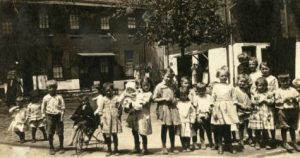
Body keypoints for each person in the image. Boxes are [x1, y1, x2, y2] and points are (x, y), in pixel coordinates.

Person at [211, 66, 239, 154]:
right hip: (218, 107)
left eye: (225, 75)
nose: (224, 77)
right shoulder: (215, 86)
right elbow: (213, 98)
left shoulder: (230, 86)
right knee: (219, 128)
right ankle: (220, 145)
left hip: (228, 108)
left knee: (227, 128)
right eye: (222, 76)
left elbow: (234, 98)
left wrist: (234, 109)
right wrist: (213, 109)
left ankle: (229, 145)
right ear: (218, 76)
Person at [153, 67, 180, 155]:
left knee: (172, 128)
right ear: (162, 76)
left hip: (172, 108)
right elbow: (154, 99)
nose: (169, 78)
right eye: (167, 76)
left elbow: (175, 94)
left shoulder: (172, 85)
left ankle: (172, 146)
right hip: (164, 109)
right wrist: (164, 98)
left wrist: (175, 99)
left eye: (171, 77)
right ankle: (164, 147)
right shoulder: (159, 86)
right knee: (164, 128)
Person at [275, 74, 300, 151]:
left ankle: (294, 142)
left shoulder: (293, 90)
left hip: (292, 110)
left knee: (292, 127)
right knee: (284, 127)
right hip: (283, 111)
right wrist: (283, 100)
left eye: (286, 81)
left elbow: (298, 97)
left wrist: (294, 99)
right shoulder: (278, 91)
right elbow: (276, 102)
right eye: (282, 82)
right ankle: (285, 142)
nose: (285, 83)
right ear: (279, 82)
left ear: (289, 81)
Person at [96, 82, 122, 156]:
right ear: (104, 91)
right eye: (106, 91)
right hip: (106, 120)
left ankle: (116, 149)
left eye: (110, 90)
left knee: (114, 135)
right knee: (107, 135)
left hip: (114, 119)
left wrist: (119, 114)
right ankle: (109, 149)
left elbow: (119, 108)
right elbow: (100, 110)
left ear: (112, 90)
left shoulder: (116, 98)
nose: (108, 92)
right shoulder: (103, 99)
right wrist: (101, 119)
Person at [249, 77, 275, 150]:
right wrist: (259, 101)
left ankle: (266, 142)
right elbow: (253, 102)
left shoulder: (268, 93)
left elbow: (272, 101)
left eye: (263, 85)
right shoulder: (255, 94)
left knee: (265, 129)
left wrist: (266, 101)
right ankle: (257, 142)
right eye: (260, 85)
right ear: (256, 86)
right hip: (257, 113)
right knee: (257, 129)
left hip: (266, 113)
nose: (261, 87)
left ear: (266, 86)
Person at [41, 80, 66, 155]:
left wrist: (62, 116)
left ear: (56, 88)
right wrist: (44, 117)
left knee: (60, 132)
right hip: (49, 117)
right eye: (50, 88)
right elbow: (43, 108)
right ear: (47, 88)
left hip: (58, 117)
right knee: (50, 133)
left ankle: (61, 146)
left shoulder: (59, 97)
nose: (52, 89)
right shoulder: (45, 98)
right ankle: (51, 147)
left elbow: (63, 107)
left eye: (53, 87)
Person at [132, 77, 153, 155]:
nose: (146, 87)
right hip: (137, 114)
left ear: (150, 85)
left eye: (147, 85)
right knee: (135, 130)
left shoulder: (149, 94)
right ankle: (137, 147)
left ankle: (145, 149)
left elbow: (144, 103)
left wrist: (139, 96)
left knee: (142, 132)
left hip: (144, 115)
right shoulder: (139, 93)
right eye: (144, 85)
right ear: (141, 86)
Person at [193, 82, 213, 150]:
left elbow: (210, 106)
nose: (201, 92)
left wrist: (208, 113)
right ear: (197, 91)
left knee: (209, 129)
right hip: (200, 115)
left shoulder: (208, 97)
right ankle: (202, 142)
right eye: (199, 91)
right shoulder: (196, 98)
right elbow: (195, 107)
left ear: (205, 90)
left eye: (203, 90)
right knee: (201, 129)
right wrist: (197, 116)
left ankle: (211, 142)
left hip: (207, 115)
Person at [234, 74, 252, 148]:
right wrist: (240, 105)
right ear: (237, 81)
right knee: (240, 125)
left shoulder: (247, 90)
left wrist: (249, 106)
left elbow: (249, 99)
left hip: (247, 109)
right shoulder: (235, 90)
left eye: (244, 82)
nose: (242, 83)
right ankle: (241, 139)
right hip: (240, 110)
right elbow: (234, 100)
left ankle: (250, 138)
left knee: (248, 125)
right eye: (240, 81)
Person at [177, 87, 196, 152]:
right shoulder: (178, 103)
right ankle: (183, 147)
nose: (183, 97)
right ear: (179, 96)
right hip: (180, 121)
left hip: (188, 121)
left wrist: (192, 121)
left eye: (184, 95)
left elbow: (193, 112)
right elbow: (176, 112)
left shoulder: (189, 103)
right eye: (181, 95)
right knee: (181, 134)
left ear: (187, 95)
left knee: (188, 134)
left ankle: (187, 146)